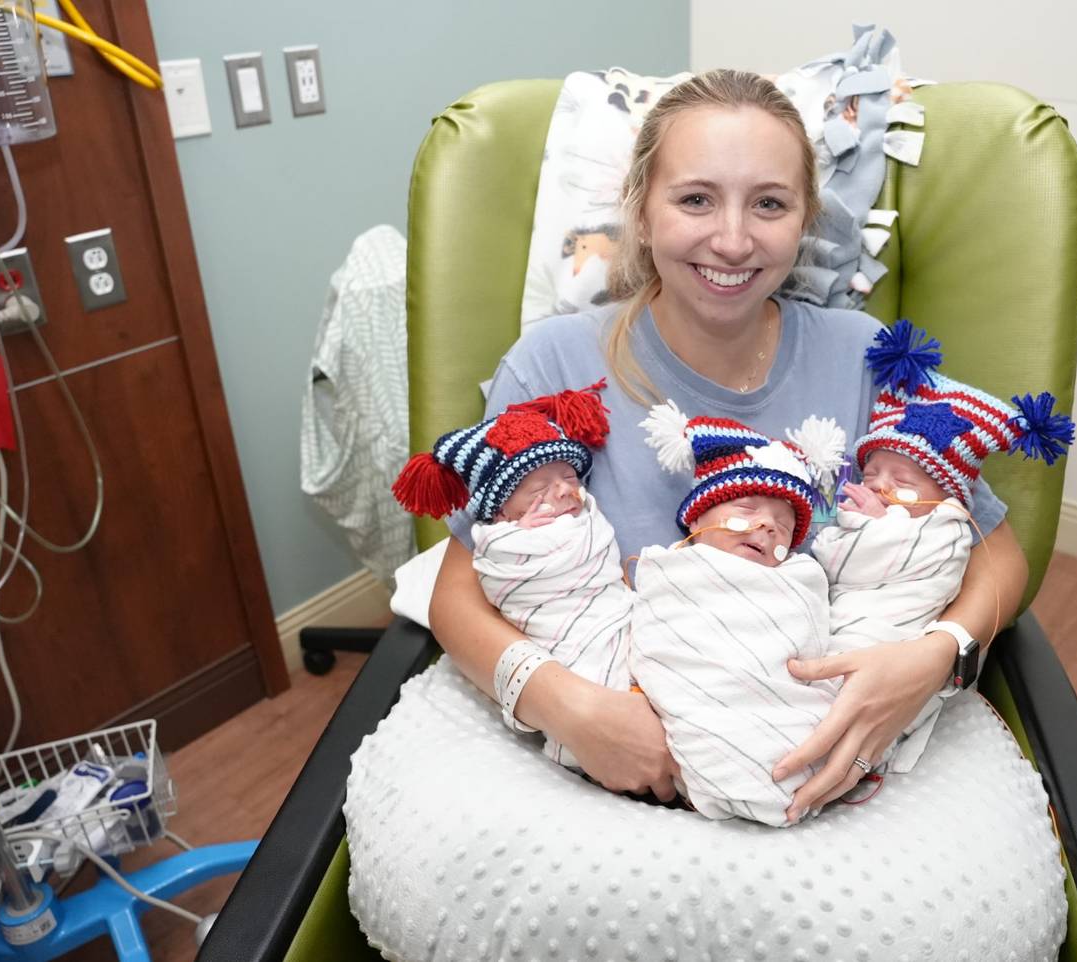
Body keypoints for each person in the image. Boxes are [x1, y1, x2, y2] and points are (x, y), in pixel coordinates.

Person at [432, 67, 1031, 826]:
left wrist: (936, 656)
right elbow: (455, 594)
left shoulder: (866, 356)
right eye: (695, 199)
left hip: (827, 768)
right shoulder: (552, 365)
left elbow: (998, 556)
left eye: (770, 204)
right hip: (612, 768)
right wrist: (572, 708)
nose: (734, 239)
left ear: (806, 219)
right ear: (641, 213)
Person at [811, 318, 1076, 774]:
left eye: (903, 483)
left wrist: (935, 655)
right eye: (870, 474)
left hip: (886, 652)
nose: (878, 488)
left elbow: (984, 558)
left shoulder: (945, 523)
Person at [395, 382, 633, 768]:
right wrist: (529, 538)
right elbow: (500, 572)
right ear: (502, 513)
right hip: (568, 650)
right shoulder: (503, 538)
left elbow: (598, 544)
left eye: (570, 477)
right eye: (539, 487)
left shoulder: (584, 513)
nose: (563, 491)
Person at [628, 404, 846, 825]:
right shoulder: (673, 571)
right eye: (745, 509)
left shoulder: (797, 578)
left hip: (783, 725)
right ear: (697, 517)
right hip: (686, 735)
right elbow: (654, 645)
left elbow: (812, 642)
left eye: (782, 526)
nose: (766, 526)